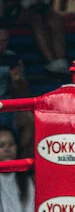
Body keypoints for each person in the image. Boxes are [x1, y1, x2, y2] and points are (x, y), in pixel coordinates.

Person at [0, 20, 33, 156]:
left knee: (29, 118)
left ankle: (20, 161)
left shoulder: (12, 58)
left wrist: (17, 81)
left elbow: (23, 96)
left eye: (4, 41)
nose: (1, 45)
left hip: (6, 107)